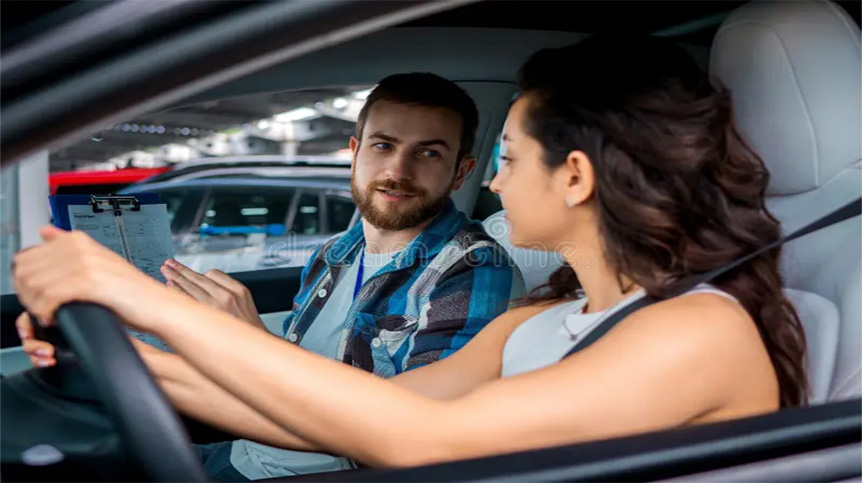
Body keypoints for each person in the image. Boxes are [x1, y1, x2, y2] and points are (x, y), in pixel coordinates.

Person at [15, 35, 808, 470]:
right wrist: (115, 360)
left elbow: (412, 440)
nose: (491, 186)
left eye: (504, 158)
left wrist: (138, 295)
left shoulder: (697, 331)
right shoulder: (550, 320)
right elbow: (338, 414)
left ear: (573, 176)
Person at [19, 72, 523, 480]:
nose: (398, 169)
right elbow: (281, 386)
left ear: (461, 172)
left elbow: (403, 440)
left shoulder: (473, 271)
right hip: (250, 451)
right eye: (383, 145)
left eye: (428, 153)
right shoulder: (334, 254)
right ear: (354, 151)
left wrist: (250, 338)